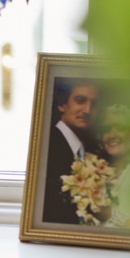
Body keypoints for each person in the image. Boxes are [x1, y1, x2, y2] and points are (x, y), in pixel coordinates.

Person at [42, 79, 101, 224]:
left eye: (94, 105)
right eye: (80, 101)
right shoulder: (48, 145)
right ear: (62, 104)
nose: (87, 110)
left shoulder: (89, 148)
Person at [98, 104, 130, 229]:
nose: (112, 135)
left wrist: (110, 215)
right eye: (106, 129)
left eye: (120, 128)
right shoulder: (95, 171)